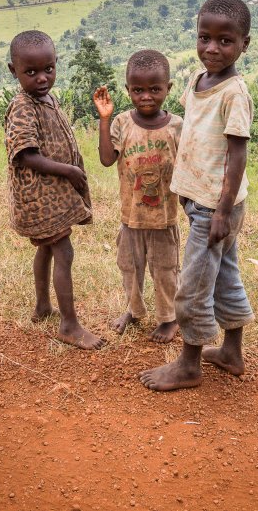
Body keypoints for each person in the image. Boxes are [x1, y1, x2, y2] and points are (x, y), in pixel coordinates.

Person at [140, 0, 254, 391]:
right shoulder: (197, 80)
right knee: (224, 278)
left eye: (225, 41)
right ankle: (231, 353)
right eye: (205, 37)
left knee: (191, 287)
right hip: (202, 203)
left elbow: (237, 155)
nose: (212, 48)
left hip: (215, 208)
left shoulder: (234, 93)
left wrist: (221, 211)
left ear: (244, 44)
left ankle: (189, 365)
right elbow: (193, 129)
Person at [4, 29, 106, 350]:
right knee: (63, 250)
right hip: (39, 198)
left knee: (46, 248)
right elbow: (27, 154)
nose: (41, 78)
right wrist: (70, 170)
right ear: (13, 71)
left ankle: (42, 306)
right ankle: (69, 324)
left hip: (53, 194)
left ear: (56, 63)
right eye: (30, 72)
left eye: (48, 69)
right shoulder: (22, 106)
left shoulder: (47, 98)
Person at [93, 49, 183, 343]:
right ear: (128, 90)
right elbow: (107, 159)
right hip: (131, 219)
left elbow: (188, 169)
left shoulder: (177, 127)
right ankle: (133, 310)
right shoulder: (121, 122)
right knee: (129, 267)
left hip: (165, 219)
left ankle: (169, 319)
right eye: (138, 90)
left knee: (166, 271)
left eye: (155, 89)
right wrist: (104, 120)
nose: (146, 96)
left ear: (168, 88)